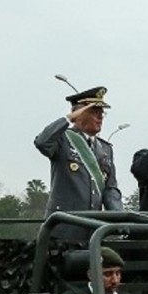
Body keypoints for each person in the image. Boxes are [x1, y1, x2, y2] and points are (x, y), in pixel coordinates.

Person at [34, 86, 123, 239]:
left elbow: (110, 189)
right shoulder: (63, 139)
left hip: (92, 230)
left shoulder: (105, 149)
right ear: (79, 114)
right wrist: (68, 119)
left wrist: (120, 219)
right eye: (94, 112)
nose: (100, 117)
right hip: (63, 229)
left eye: (102, 113)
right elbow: (42, 142)